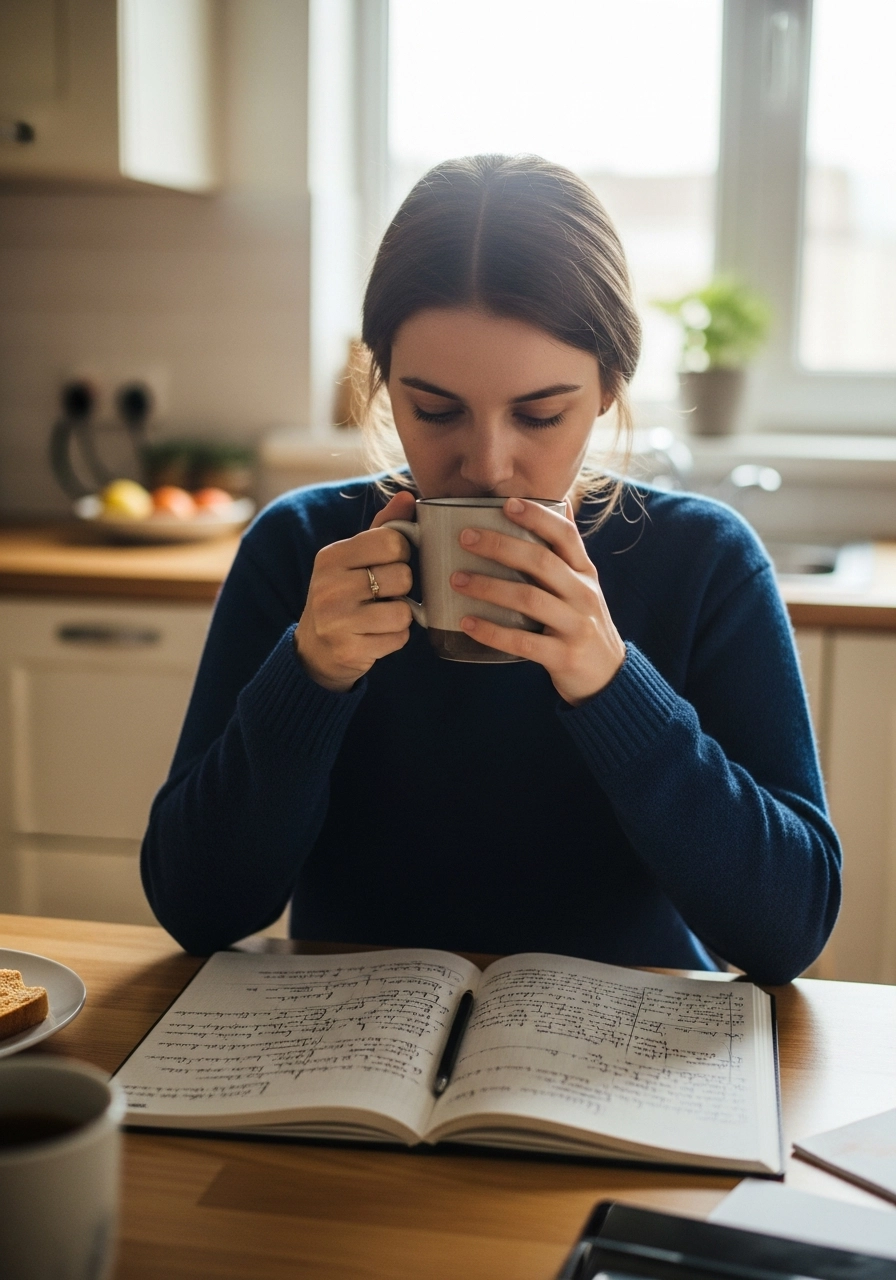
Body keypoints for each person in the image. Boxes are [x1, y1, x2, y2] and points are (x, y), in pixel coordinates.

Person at [141, 155, 841, 984]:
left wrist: (613, 686)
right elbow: (196, 910)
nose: (487, 465)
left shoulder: (706, 562)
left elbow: (787, 931)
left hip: (624, 1043)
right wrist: (310, 676)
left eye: (539, 415)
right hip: (353, 1036)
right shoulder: (298, 550)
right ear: (382, 382)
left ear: (609, 389)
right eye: (435, 410)